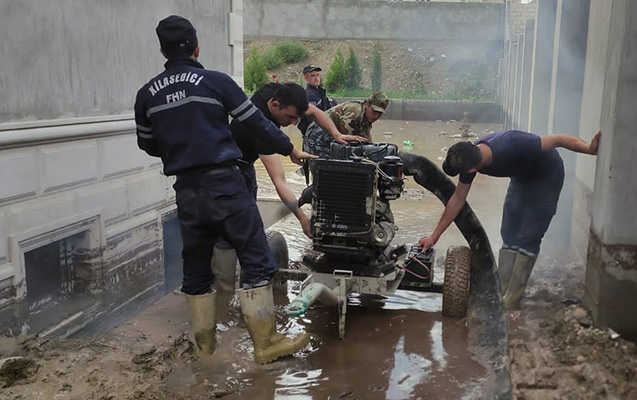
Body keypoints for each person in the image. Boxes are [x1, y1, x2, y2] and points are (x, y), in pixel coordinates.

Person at [134, 15, 314, 364]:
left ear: (163, 51)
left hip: (187, 191)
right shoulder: (215, 82)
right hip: (225, 185)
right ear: (197, 48)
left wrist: (183, 149)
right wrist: (289, 148)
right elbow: (256, 123)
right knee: (257, 259)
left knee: (196, 268)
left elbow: (148, 144)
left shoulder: (147, 95)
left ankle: (204, 348)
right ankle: (266, 343)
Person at [418, 129, 601, 308]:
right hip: (521, 176)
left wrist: (588, 149)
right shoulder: (471, 157)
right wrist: (434, 236)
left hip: (547, 175)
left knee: (529, 236)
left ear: (472, 169)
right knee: (509, 231)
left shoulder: (514, 143)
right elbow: (458, 199)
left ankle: (513, 298)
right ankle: (502, 288)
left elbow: (558, 139)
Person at [303, 91, 389, 158]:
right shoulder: (354, 112)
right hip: (318, 134)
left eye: (380, 113)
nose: (376, 116)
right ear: (367, 104)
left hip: (331, 135)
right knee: (329, 165)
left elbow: (366, 141)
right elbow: (346, 143)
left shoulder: (367, 118)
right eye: (374, 111)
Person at [297, 64, 336, 135]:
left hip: (321, 128)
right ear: (306, 78)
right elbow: (311, 117)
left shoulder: (319, 91)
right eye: (313, 76)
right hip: (314, 132)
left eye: (317, 75)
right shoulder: (309, 95)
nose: (316, 78)